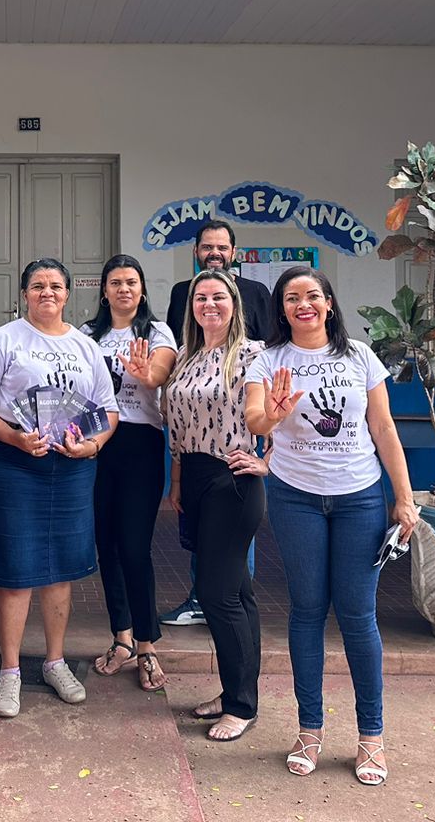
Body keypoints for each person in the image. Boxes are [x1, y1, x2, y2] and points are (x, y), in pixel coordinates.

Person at [244, 266, 419, 787]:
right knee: (306, 611)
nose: (303, 304)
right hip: (295, 498)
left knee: (358, 616)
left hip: (359, 498)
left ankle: (371, 736)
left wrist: (404, 499)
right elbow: (255, 420)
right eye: (291, 298)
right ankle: (309, 729)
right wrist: (274, 416)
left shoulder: (359, 356)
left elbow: (383, 427)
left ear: (329, 304)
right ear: (281, 309)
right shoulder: (267, 359)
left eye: (312, 296)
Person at [0, 258, 119, 720]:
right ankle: (10, 671)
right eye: (38, 286)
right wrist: (15, 437)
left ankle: (55, 663)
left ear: (68, 293)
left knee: (61, 568)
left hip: (72, 467)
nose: (47, 293)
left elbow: (108, 410)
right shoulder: (3, 340)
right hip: (14, 462)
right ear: (24, 294)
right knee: (16, 567)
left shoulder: (85, 346)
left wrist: (91, 446)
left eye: (55, 285)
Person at [163, 269, 267, 743]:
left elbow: (283, 415)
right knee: (237, 593)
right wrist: (178, 483)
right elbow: (178, 428)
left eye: (218, 296)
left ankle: (241, 706)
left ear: (234, 303)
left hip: (233, 478)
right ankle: (235, 693)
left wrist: (268, 461)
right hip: (196, 476)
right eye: (201, 297)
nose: (209, 304)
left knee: (217, 593)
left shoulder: (253, 355)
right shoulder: (186, 355)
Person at [161, 220, 273, 627]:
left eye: (221, 247)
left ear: (233, 252)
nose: (214, 253)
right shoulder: (181, 292)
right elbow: (178, 347)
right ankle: (202, 598)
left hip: (236, 441)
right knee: (201, 534)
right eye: (207, 246)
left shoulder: (256, 294)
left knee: (233, 550)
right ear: (196, 251)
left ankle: (228, 600)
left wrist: (267, 455)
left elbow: (270, 362)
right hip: (193, 433)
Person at [80, 254, 177, 692]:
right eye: (116, 282)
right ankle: (121, 637)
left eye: (131, 282)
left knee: (135, 547)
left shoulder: (157, 332)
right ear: (104, 290)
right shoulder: (86, 335)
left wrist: (145, 372)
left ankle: (147, 644)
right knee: (107, 545)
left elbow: (158, 375)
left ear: (142, 289)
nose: (124, 289)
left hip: (140, 443)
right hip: (97, 443)